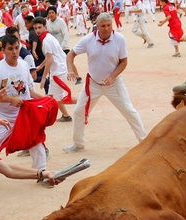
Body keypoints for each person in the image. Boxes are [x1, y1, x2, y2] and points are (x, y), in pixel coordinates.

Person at [63, 13, 146, 152]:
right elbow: (70, 54)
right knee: (79, 111)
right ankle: (78, 144)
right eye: (103, 26)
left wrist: (112, 77)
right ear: (97, 25)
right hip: (93, 84)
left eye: (109, 25)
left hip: (114, 84)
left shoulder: (119, 39)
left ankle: (144, 141)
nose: (106, 28)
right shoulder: (88, 39)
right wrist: (71, 70)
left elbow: (123, 62)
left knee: (129, 110)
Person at [0, 34, 51, 170]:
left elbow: (29, 92)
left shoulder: (24, 65)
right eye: (10, 49)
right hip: (4, 118)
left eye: (16, 48)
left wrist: (45, 100)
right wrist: (11, 99)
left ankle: (41, 172)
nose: (14, 52)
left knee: (36, 143)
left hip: (24, 115)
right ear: (3, 50)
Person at [32, 17, 72, 121]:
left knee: (56, 98)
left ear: (45, 27)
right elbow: (50, 57)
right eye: (35, 28)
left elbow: (49, 60)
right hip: (59, 69)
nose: (37, 30)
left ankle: (82, 102)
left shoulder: (46, 41)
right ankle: (65, 115)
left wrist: (44, 78)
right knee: (51, 96)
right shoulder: (48, 37)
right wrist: (40, 66)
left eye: (40, 27)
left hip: (59, 71)